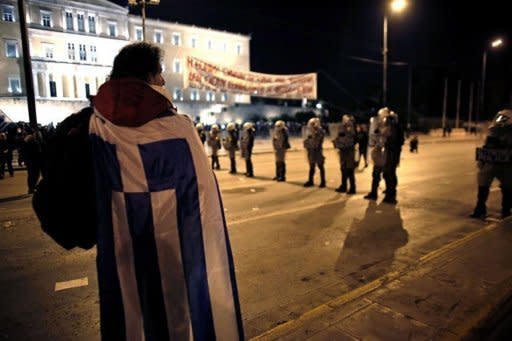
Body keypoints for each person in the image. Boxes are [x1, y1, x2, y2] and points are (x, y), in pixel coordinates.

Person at [89, 42, 244, 340]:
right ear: (149, 77)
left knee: (132, 320)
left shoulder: (91, 126)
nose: (164, 80)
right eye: (160, 73)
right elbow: (202, 206)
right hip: (175, 264)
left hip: (121, 262)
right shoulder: (181, 129)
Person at [470, 109, 512, 219]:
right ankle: (480, 208)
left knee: (507, 186)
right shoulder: (502, 118)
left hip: (506, 164)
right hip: (493, 161)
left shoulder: (505, 120)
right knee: (484, 183)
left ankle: (506, 209)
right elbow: (488, 144)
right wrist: (482, 159)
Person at [364, 107, 390, 201]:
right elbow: (374, 137)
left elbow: (385, 139)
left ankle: (389, 193)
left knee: (385, 175)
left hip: (384, 155)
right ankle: (374, 193)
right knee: (376, 175)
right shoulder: (380, 125)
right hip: (379, 154)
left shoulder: (389, 126)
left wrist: (380, 136)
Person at [381, 110, 405, 204]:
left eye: (389, 118)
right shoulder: (392, 127)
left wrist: (387, 142)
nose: (387, 120)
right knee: (389, 172)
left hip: (392, 153)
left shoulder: (394, 127)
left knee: (389, 173)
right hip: (391, 153)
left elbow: (394, 141)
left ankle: (390, 195)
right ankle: (390, 190)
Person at [333, 114, 357, 194]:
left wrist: (340, 139)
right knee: (343, 169)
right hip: (344, 150)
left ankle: (352, 187)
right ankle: (344, 186)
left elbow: (349, 138)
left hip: (348, 150)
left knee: (349, 170)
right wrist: (336, 141)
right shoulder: (343, 128)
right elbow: (339, 138)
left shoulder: (350, 128)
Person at [303, 117, 326, 188]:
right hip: (311, 150)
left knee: (320, 166)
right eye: (311, 124)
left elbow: (319, 140)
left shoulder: (320, 130)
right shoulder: (309, 131)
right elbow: (306, 140)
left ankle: (323, 181)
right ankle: (310, 181)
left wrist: (316, 133)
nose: (312, 125)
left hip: (317, 150)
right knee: (312, 166)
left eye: (313, 124)